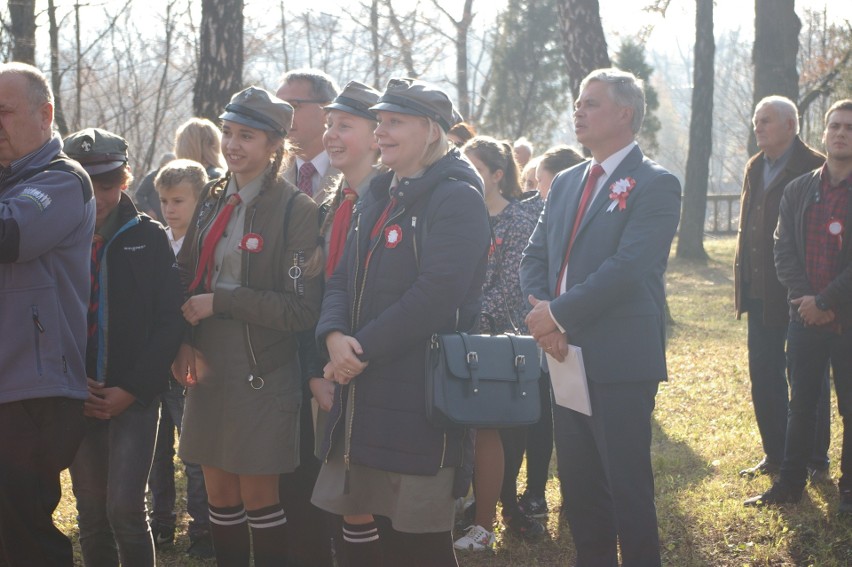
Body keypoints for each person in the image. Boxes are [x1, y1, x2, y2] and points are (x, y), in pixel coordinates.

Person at [311, 78, 491, 567]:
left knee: (421, 545)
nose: (381, 132)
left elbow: (435, 298)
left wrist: (357, 352)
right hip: (366, 397)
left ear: (431, 132)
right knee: (386, 538)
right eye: (381, 121)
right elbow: (341, 277)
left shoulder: (457, 199)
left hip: (421, 401)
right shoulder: (379, 192)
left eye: (395, 122)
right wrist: (332, 337)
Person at [520, 68, 681, 566]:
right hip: (563, 354)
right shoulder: (567, 181)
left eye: (591, 103)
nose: (578, 111)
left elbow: (629, 268)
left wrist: (557, 316)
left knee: (626, 486)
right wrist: (547, 322)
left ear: (624, 114)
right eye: (577, 102)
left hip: (618, 357)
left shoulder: (656, 184)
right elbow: (534, 258)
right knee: (580, 486)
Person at [173, 86, 323, 566]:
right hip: (210, 360)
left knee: (259, 495)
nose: (233, 145)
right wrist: (182, 343)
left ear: (275, 144)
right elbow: (186, 277)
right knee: (218, 493)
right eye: (229, 133)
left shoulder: (296, 209)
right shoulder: (215, 197)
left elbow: (301, 309)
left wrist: (224, 301)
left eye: (248, 136)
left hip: (263, 364)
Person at [64, 127, 185, 567]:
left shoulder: (149, 237)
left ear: (126, 179)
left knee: (125, 510)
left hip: (133, 396)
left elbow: (171, 320)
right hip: (78, 392)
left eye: (109, 184)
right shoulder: (56, 237)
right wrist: (73, 383)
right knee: (92, 512)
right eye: (86, 184)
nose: (98, 196)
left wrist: (132, 389)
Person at [0, 62, 94, 567]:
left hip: (36, 391)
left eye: (4, 112)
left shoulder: (62, 180)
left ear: (45, 115)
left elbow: (10, 236)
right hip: (9, 387)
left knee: (24, 536)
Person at [744, 99, 852, 515]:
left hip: (845, 318)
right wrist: (807, 300)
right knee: (801, 402)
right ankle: (789, 484)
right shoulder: (800, 188)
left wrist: (825, 301)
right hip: (804, 318)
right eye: (835, 126)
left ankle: (847, 492)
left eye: (849, 128)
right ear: (824, 134)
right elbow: (782, 249)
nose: (841, 133)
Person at [303, 80, 383, 566]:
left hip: (366, 366)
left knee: (371, 506)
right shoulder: (335, 203)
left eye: (345, 126)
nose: (331, 135)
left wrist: (344, 363)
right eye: (330, 124)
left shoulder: (389, 200)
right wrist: (316, 369)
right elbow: (319, 291)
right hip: (328, 369)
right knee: (343, 502)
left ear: (378, 136)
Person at [453, 136, 543, 552]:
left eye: (475, 169)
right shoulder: (453, 214)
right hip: (449, 333)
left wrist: (463, 320)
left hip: (492, 344)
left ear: (497, 174)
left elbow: (511, 287)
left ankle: (485, 523)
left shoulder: (517, 221)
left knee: (486, 428)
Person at [734, 96, 829, 481]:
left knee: (808, 376)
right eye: (756, 120)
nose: (758, 127)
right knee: (764, 372)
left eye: (767, 121)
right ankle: (775, 452)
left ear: (791, 125)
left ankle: (814, 459)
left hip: (802, 293)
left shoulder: (814, 165)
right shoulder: (755, 166)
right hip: (759, 292)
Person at [147, 159, 213, 558]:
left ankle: (204, 529)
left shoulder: (206, 244)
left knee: (194, 454)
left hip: (193, 363)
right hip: (156, 363)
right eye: (164, 201)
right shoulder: (154, 242)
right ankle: (161, 525)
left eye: (178, 200)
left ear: (200, 200)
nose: (170, 210)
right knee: (156, 453)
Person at [277, 69, 342, 204]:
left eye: (293, 106)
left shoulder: (353, 171)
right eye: (278, 108)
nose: (281, 116)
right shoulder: (271, 174)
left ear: (327, 110)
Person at [133, 151, 176, 222]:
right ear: (163, 165)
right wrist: (148, 210)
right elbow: (139, 194)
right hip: (155, 219)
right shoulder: (152, 177)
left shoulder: (175, 179)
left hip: (169, 219)